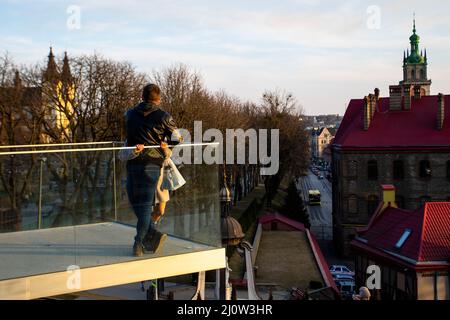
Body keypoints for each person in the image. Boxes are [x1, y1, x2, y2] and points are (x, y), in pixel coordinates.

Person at [125, 84, 182, 257]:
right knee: (144, 207)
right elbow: (178, 138)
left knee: (137, 203)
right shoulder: (164, 116)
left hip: (133, 161)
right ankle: (139, 242)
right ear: (158, 99)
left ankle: (148, 234)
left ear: (142, 97)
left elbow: (128, 135)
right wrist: (167, 145)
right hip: (152, 164)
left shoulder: (130, 114)